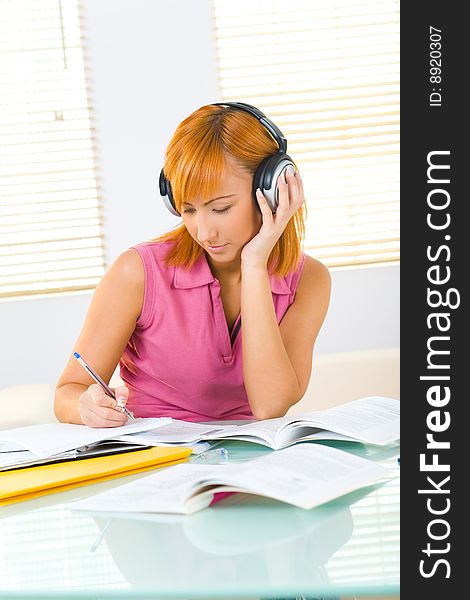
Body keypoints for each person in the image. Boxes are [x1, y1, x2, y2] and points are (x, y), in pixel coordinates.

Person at [54, 102, 331, 427]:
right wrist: (86, 407)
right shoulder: (137, 273)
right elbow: (67, 392)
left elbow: (270, 406)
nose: (203, 231)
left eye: (221, 208)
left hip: (249, 460)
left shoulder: (309, 279)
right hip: (155, 458)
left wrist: (254, 264)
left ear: (270, 191)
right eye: (188, 209)